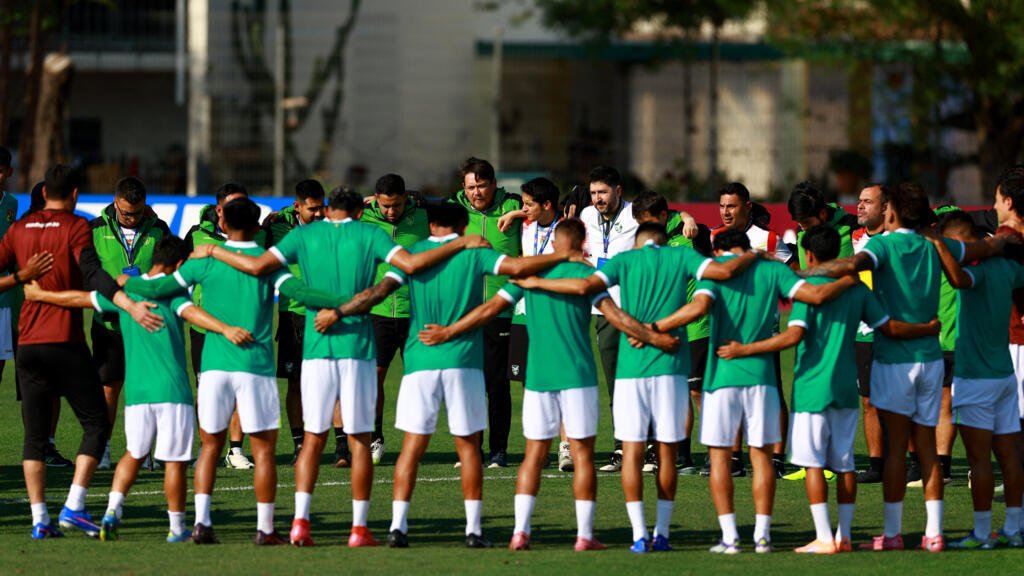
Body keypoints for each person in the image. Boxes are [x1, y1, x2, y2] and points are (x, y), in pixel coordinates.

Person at [196, 189, 489, 548]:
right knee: (359, 441)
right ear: (358, 211)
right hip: (357, 348)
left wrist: (214, 250)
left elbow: (257, 266)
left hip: (317, 349)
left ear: (328, 209)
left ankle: (300, 524)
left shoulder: (303, 235)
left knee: (312, 440)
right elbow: (411, 265)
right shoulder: (370, 233)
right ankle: (358, 529)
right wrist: (459, 243)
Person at [419, 218, 676, 551]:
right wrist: (653, 337)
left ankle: (520, 532)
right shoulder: (585, 275)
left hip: (539, 379)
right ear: (582, 244)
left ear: (554, 243)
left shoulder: (529, 275)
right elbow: (615, 316)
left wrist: (449, 331)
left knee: (533, 456)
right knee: (582, 457)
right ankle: (584, 536)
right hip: (578, 378)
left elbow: (489, 309)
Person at [514, 222, 764, 553]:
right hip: (670, 367)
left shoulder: (624, 260)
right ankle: (661, 534)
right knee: (666, 453)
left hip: (630, 370)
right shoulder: (681, 256)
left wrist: (535, 283)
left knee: (630, 453)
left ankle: (637, 536)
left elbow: (583, 286)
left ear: (637, 241)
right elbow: (723, 273)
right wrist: (752, 256)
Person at [124, 197, 347, 545]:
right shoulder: (268, 263)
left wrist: (121, 283)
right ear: (258, 227)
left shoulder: (203, 262)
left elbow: (156, 287)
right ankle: (265, 529)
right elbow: (302, 293)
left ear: (223, 223)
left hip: (214, 367)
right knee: (263, 451)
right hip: (255, 367)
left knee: (210, 447)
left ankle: (202, 523)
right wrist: (347, 301)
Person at [800, 182, 1007, 552]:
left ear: (892, 211)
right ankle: (934, 533)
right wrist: (1006, 240)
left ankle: (893, 534)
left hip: (894, 359)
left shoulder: (883, 245)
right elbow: (983, 248)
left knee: (897, 449)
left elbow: (854, 264)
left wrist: (805, 275)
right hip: (930, 358)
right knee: (927, 447)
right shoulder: (935, 244)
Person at [716, 225, 939, 554]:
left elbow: (793, 336)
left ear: (809, 254)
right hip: (846, 387)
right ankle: (843, 536)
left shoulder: (808, 290)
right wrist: (926, 328)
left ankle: (823, 537)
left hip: (812, 388)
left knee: (814, 465)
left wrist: (745, 350)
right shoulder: (857, 290)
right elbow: (890, 327)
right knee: (845, 464)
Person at [22, 235, 253, 543]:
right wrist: (226, 328)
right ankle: (177, 528)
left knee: (133, 454)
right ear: (179, 265)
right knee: (175, 463)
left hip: (137, 395)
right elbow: (193, 313)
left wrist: (41, 295)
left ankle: (111, 512)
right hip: (172, 393)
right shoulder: (172, 291)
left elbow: (81, 299)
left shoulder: (125, 293)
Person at [652, 227, 858, 553]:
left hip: (722, 378)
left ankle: (730, 537)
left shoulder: (715, 273)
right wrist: (848, 281)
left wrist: (655, 329)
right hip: (762, 378)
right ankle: (763, 536)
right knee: (761, 458)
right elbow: (815, 295)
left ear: (718, 251)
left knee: (720, 459)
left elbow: (698, 308)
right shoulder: (771, 269)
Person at [0, 164, 162, 539]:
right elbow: (93, 275)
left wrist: (20, 278)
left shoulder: (19, 229)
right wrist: (127, 302)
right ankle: (74, 506)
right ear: (75, 194)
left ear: (43, 194)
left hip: (28, 343)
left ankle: (40, 519)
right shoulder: (76, 227)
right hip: (64, 341)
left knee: (34, 436)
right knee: (96, 424)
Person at [928, 211, 1024, 549]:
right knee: (1009, 456)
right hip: (1004, 376)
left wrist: (938, 244)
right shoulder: (1008, 269)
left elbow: (957, 279)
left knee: (979, 460)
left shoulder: (977, 271)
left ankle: (982, 534)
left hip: (975, 379)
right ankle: (1014, 528)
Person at [89, 176, 172, 470]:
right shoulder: (95, 230)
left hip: (147, 323)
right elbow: (87, 271)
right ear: (115, 203)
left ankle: (144, 450)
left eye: (137, 213)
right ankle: (103, 448)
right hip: (109, 323)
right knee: (108, 388)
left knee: (148, 387)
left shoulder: (159, 229)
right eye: (126, 213)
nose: (132, 219)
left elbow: (169, 268)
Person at [713, 182, 795, 478]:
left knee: (773, 392)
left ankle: (777, 458)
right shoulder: (714, 236)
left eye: (731, 206)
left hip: (763, 330)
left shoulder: (769, 238)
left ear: (747, 207)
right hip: (727, 328)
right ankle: (734, 457)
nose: (725, 212)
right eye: (722, 206)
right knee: (730, 392)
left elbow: (792, 275)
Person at [448, 157, 524, 468]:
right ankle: (471, 451)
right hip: (464, 312)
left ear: (493, 184)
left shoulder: (513, 205)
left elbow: (548, 209)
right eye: (470, 187)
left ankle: (498, 450)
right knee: (468, 385)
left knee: (496, 385)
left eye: (481, 186)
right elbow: (417, 205)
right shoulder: (453, 208)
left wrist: (518, 212)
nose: (476, 192)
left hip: (500, 310)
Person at [184, 182, 265, 470]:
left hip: (245, 327)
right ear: (219, 209)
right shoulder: (197, 235)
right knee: (207, 391)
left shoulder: (261, 233)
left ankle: (235, 449)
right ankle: (206, 447)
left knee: (242, 389)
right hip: (207, 328)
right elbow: (180, 271)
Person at [631, 190, 711, 474]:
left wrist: (688, 219)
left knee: (697, 391)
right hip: (667, 329)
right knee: (679, 392)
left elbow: (711, 270)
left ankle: (717, 450)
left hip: (697, 326)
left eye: (648, 221)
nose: (645, 228)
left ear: (664, 216)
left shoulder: (692, 233)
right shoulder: (649, 240)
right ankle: (682, 454)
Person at [361, 173, 430, 467]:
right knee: (374, 378)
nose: (391, 211)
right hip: (377, 313)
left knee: (421, 380)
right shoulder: (362, 216)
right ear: (376, 199)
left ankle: (415, 441)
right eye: (385, 206)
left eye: (397, 205)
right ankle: (375, 437)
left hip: (416, 313)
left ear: (406, 198)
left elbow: (456, 206)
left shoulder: (424, 215)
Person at [261, 179, 326, 464]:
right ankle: (299, 443)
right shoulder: (276, 227)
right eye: (312, 209)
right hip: (292, 315)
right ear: (297, 206)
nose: (318, 213)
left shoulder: (332, 225)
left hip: (326, 313)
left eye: (321, 207)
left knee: (331, 381)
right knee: (296, 383)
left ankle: (340, 445)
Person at [579, 166, 639, 473]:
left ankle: (650, 447)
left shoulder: (636, 214)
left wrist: (687, 217)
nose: (597, 198)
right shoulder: (586, 215)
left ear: (618, 190)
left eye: (603, 192)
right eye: (593, 193)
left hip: (635, 309)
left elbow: (670, 216)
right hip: (602, 310)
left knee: (641, 381)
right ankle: (621, 447)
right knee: (615, 383)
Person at [852, 184, 888, 484]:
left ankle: (917, 463)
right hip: (863, 334)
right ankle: (876, 465)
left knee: (902, 400)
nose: (860, 206)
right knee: (868, 401)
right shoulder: (854, 238)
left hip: (894, 332)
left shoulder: (897, 240)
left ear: (885, 207)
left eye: (868, 201)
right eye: (859, 201)